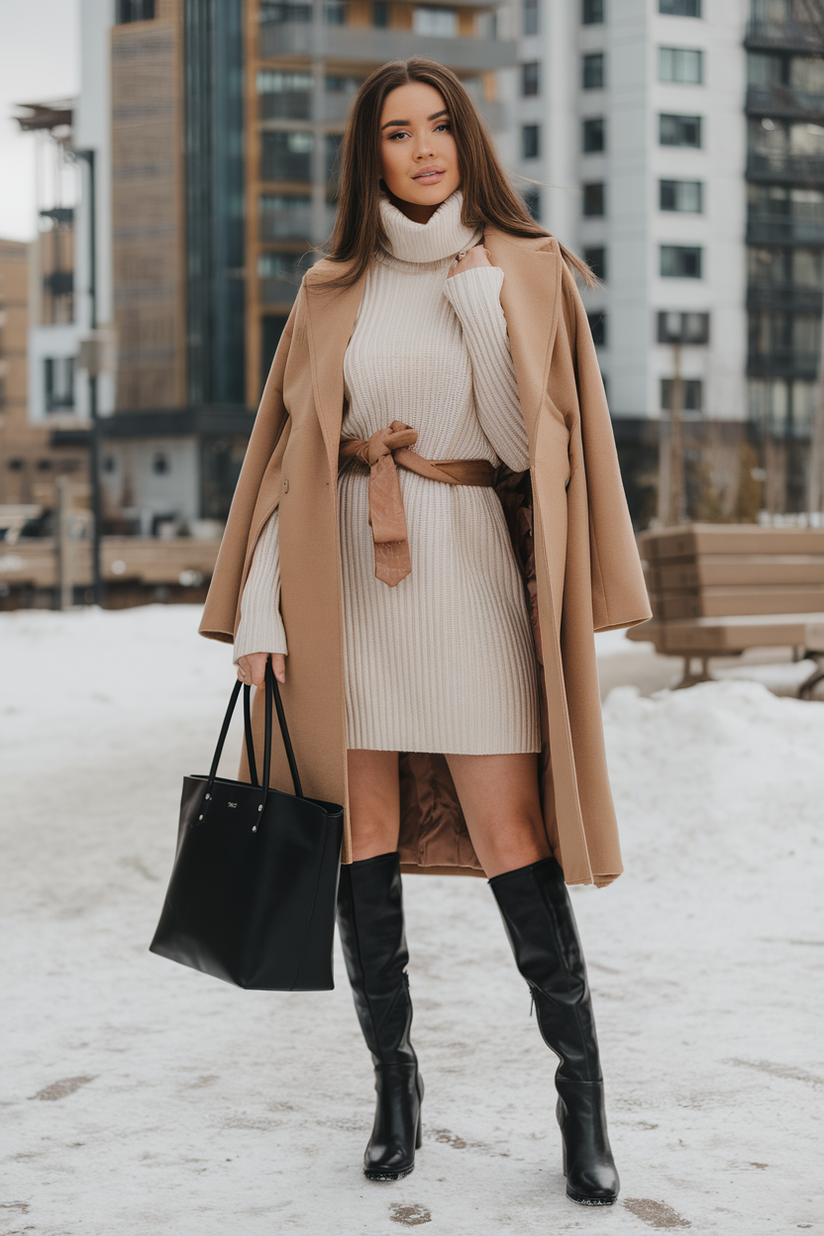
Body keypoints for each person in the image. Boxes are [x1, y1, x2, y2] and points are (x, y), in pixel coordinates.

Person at [199, 57, 650, 1205]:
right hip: (342, 587)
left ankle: (579, 1096)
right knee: (362, 838)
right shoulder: (326, 289)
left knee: (509, 829)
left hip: (466, 580)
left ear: (466, 139)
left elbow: (516, 442)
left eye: (439, 126)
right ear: (370, 155)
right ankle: (393, 1082)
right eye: (396, 132)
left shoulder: (524, 269)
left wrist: (477, 300)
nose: (423, 148)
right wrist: (258, 612)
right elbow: (284, 471)